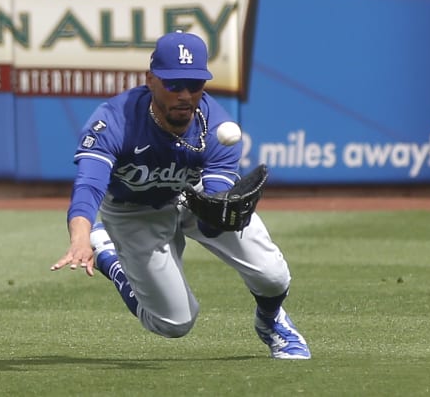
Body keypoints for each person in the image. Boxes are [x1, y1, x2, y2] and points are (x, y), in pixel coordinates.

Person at [50, 31, 311, 360]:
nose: (186, 94)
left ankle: (272, 323)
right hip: (134, 211)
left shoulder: (216, 129)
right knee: (174, 323)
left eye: (195, 84)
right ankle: (108, 255)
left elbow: (214, 212)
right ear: (151, 80)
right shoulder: (115, 120)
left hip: (194, 195)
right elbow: (89, 184)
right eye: (174, 84)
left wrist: (218, 216)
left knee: (273, 275)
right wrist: (80, 238)